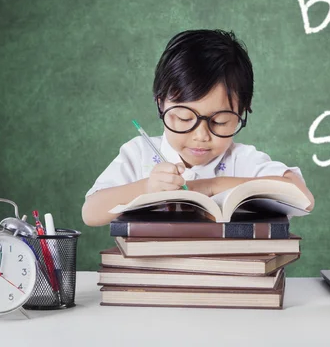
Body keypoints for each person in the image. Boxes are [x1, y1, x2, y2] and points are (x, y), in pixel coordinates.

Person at [82, 29, 315, 226]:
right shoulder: (139, 153)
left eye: (220, 121)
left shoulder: (242, 160)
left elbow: (303, 198)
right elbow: (90, 213)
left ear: (243, 111)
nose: (201, 136)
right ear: (160, 103)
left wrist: (212, 186)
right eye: (184, 118)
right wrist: (147, 187)